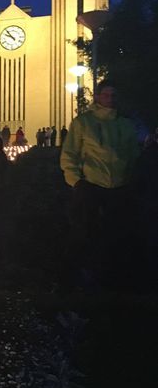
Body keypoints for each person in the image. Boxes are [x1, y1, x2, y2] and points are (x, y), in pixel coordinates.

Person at [60, 80, 140, 285]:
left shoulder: (125, 124)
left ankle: (112, 277)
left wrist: (131, 180)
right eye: (106, 95)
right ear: (97, 97)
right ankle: (72, 277)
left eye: (113, 95)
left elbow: (133, 155)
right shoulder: (83, 122)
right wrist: (76, 182)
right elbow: (69, 153)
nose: (110, 99)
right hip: (90, 187)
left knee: (116, 234)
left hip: (120, 188)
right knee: (84, 232)